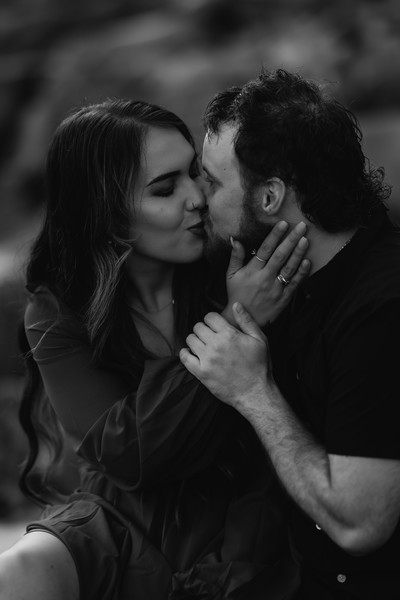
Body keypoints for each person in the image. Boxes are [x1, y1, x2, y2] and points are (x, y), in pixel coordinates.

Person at [1, 98, 309, 600]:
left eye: (195, 173)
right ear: (106, 213)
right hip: (123, 523)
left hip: (241, 514)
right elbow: (128, 458)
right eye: (165, 189)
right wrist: (235, 318)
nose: (197, 198)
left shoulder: (234, 265)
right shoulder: (58, 309)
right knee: (18, 574)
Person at [180, 68, 400, 600]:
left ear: (270, 197)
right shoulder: (289, 275)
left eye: (212, 181)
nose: (199, 198)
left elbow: (362, 524)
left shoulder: (381, 310)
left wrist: (254, 392)